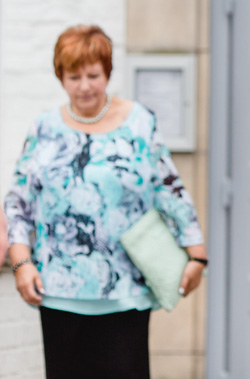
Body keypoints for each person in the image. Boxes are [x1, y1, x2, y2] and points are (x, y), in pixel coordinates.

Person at [4, 25, 207, 379]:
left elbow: (169, 188)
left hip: (125, 289)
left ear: (108, 72)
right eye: (74, 76)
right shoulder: (44, 128)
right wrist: (22, 264)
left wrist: (197, 254)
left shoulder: (139, 123)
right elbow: (19, 202)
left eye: (93, 75)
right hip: (58, 290)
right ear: (61, 77)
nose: (84, 86)